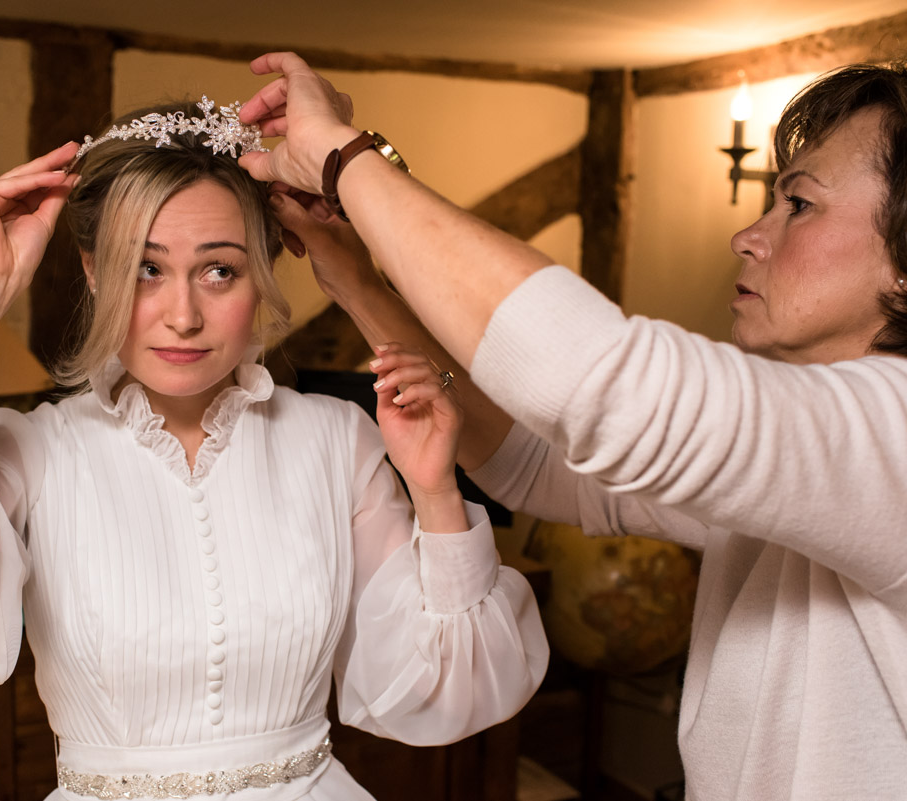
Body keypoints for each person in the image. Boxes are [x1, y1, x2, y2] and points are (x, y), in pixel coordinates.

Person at [0, 97, 548, 801]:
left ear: (263, 274)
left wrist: (436, 490)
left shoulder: (337, 442)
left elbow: (449, 688)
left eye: (218, 271)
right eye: (145, 269)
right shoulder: (29, 451)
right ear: (92, 272)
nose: (181, 315)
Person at [237, 55, 907, 800]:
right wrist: (353, 276)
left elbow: (598, 378)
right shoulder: (813, 454)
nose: (748, 236)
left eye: (801, 205)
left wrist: (344, 158)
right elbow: (535, 462)